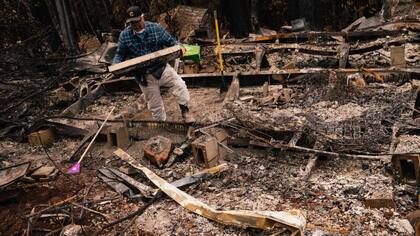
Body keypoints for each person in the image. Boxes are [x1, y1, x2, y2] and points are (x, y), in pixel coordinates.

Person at [113, 6, 195, 123]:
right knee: (154, 105)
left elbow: (171, 41)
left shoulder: (155, 28)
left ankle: (185, 111)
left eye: (137, 21)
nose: (135, 24)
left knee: (180, 85)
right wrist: (115, 66)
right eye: (132, 23)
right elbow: (120, 54)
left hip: (161, 68)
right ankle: (162, 124)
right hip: (143, 75)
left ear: (142, 17)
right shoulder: (124, 35)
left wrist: (179, 47)